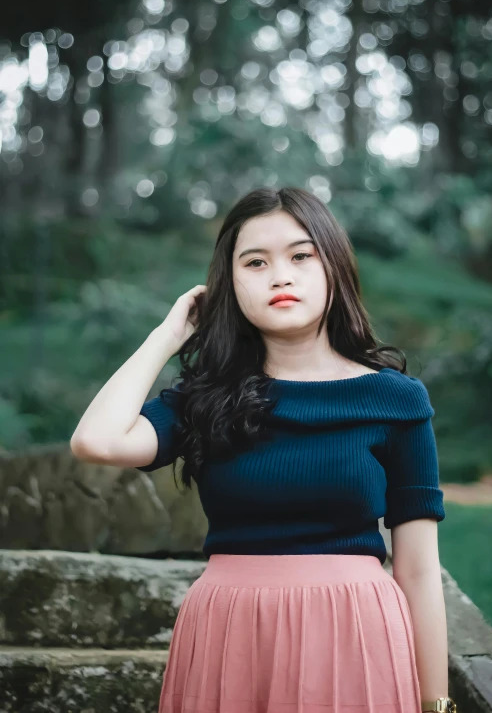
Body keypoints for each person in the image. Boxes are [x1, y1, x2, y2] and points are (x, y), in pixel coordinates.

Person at [70, 187, 457, 713]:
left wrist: (438, 705)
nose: (281, 275)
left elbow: (417, 571)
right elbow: (96, 441)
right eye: (255, 262)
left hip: (354, 636)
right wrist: (168, 335)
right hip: (227, 634)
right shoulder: (204, 396)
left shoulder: (395, 399)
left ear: (334, 269)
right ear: (229, 284)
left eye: (301, 256)